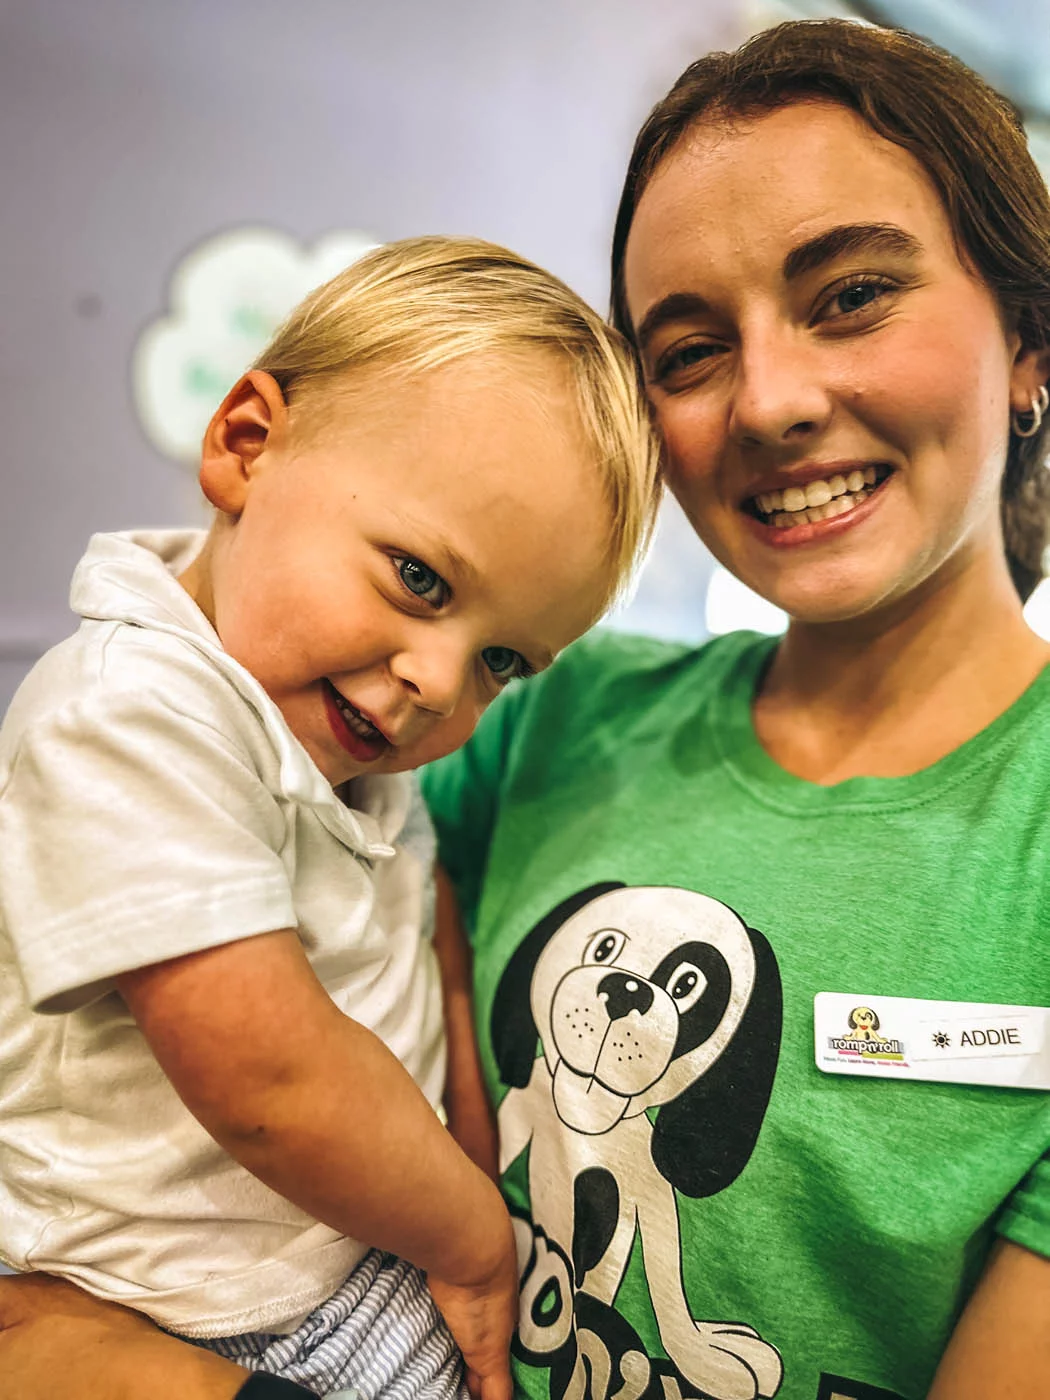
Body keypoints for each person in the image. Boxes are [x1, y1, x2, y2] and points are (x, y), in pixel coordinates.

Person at [3, 16, 1050, 1400]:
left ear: (1029, 340)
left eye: (850, 294)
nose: (770, 400)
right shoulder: (546, 726)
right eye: (688, 350)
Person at [0, 236, 659, 1400]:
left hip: (339, 1262)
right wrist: (473, 1233)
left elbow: (427, 931)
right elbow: (271, 1080)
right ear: (245, 445)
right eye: (420, 578)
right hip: (186, 1305)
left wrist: (473, 1154)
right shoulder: (132, 713)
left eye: (502, 659)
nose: (439, 684)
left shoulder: (340, 745)